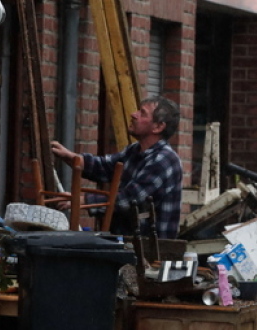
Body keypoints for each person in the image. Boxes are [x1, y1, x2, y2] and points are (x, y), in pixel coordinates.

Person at [50, 96, 183, 239]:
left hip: (151, 247)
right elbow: (104, 167)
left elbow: (129, 199)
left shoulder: (164, 160)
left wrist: (83, 200)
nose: (134, 114)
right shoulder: (134, 150)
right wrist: (71, 157)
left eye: (142, 113)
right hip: (128, 242)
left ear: (158, 127)